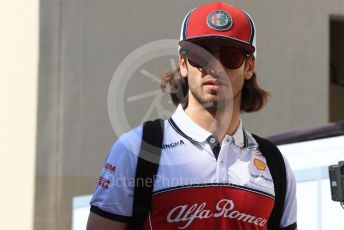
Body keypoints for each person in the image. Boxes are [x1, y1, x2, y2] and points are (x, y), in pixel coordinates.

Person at [87, 1, 297, 230]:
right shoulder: (136, 149)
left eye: (230, 56)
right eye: (201, 55)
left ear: (249, 67)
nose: (214, 67)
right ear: (183, 64)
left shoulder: (275, 164)